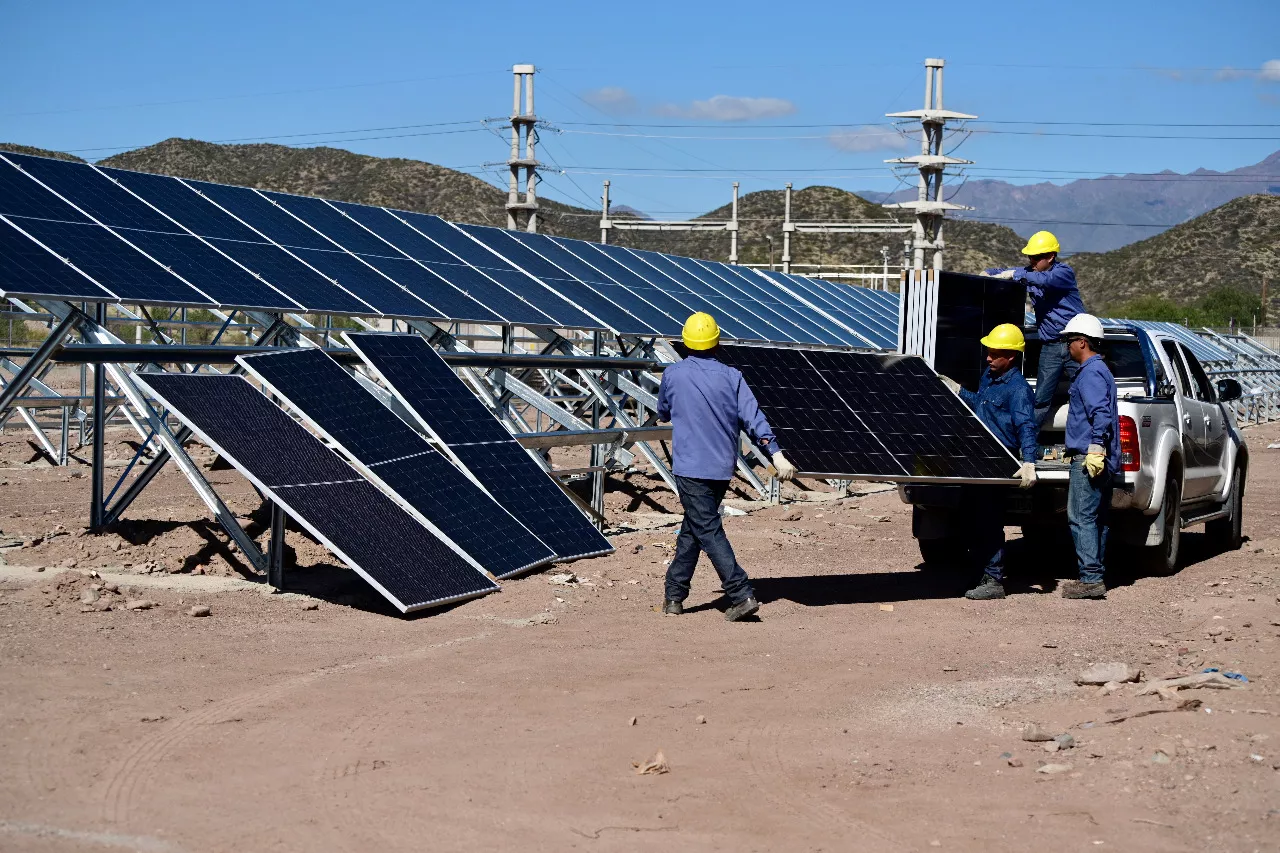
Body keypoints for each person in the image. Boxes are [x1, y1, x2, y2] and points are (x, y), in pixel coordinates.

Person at [657, 312, 797, 622]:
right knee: (694, 528)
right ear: (717, 342)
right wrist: (775, 452)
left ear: (685, 342)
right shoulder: (733, 376)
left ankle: (740, 593)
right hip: (721, 467)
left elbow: (663, 411)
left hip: (690, 466)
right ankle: (674, 596)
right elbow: (753, 416)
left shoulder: (673, 374)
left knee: (706, 528)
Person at [939, 323, 1038, 601]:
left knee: (988, 521)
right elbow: (980, 404)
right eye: (989, 352)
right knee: (970, 519)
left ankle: (993, 580)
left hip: (999, 460)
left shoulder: (1017, 390)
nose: (988, 358)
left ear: (1012, 357)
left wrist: (1029, 462)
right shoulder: (988, 377)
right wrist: (958, 389)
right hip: (977, 456)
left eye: (995, 353)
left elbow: (1026, 427)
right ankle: (980, 572)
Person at [985, 230, 1088, 429]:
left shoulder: (1063, 273)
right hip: (1050, 346)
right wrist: (989, 274)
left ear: (1051, 257)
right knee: (1041, 398)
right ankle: (1029, 441)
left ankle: (1086, 442)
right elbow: (1005, 270)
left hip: (1076, 343)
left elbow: (1045, 281)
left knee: (1084, 393)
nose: (1032, 261)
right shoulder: (1030, 273)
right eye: (1030, 257)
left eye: (1037, 257)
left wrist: (1016, 274)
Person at [1059, 313, 1120, 600]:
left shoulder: (1091, 373)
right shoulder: (1099, 370)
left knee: (1081, 517)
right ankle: (1095, 573)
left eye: (1069, 341)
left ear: (1082, 342)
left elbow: (1100, 414)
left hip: (1089, 457)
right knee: (1096, 518)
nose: (1067, 346)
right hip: (1097, 456)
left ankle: (1091, 578)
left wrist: (1095, 446)